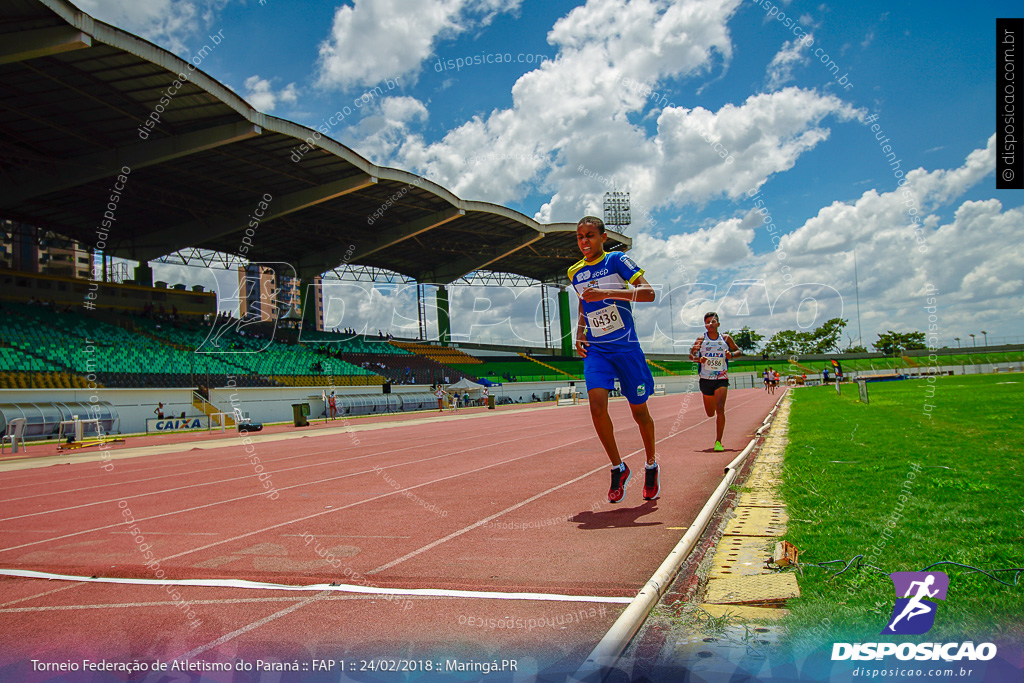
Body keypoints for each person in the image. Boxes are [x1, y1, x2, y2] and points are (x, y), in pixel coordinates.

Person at [571, 216, 659, 503]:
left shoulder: (617, 260)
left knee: (639, 413)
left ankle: (650, 464)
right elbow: (584, 303)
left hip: (626, 348)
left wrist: (609, 292)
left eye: (590, 236)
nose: (585, 241)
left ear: (603, 237)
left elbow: (649, 293)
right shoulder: (575, 272)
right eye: (580, 237)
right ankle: (618, 467)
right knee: (596, 406)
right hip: (598, 350)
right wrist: (580, 332)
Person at [689, 312, 742, 452]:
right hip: (705, 379)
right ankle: (717, 436)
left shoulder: (726, 338)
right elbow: (691, 355)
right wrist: (698, 359)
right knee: (710, 413)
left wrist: (731, 355)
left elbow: (739, 351)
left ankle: (718, 441)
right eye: (707, 322)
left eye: (713, 321)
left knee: (720, 408)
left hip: (721, 378)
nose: (710, 324)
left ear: (718, 324)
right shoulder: (701, 339)